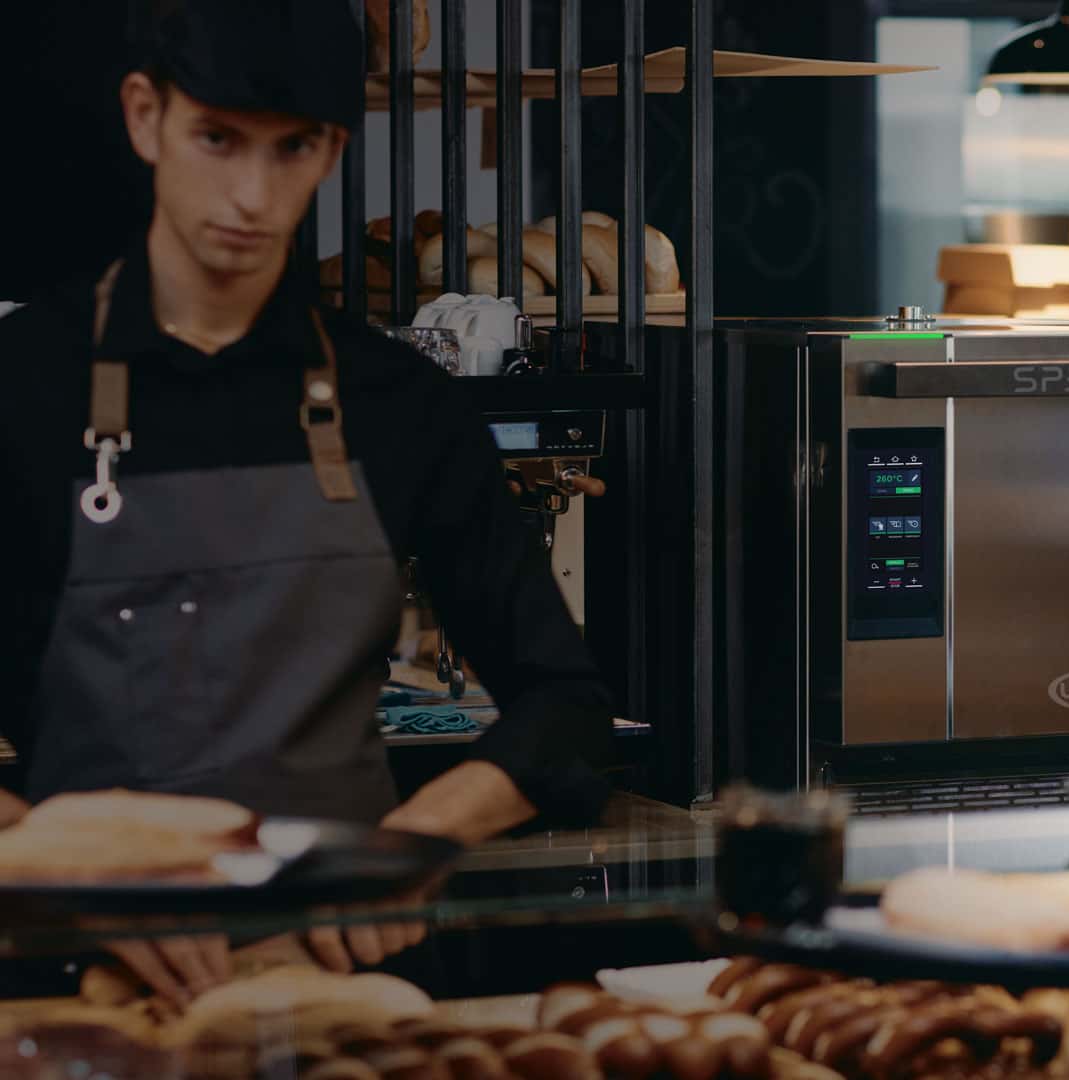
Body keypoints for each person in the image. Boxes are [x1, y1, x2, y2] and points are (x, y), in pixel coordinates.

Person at [0, 0, 615, 1004]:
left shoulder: (398, 403)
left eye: (293, 149)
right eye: (218, 140)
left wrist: (411, 841)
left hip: (342, 971)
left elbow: (567, 706)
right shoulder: (22, 386)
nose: (251, 194)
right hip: (77, 977)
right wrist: (74, 874)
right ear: (145, 116)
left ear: (334, 148)